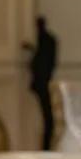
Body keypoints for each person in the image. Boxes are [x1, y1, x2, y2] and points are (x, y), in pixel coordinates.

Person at [25, 15, 58, 150]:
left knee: (48, 119)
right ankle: (46, 147)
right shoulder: (48, 40)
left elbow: (42, 62)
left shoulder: (45, 40)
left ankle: (46, 147)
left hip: (42, 83)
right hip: (43, 83)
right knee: (47, 119)